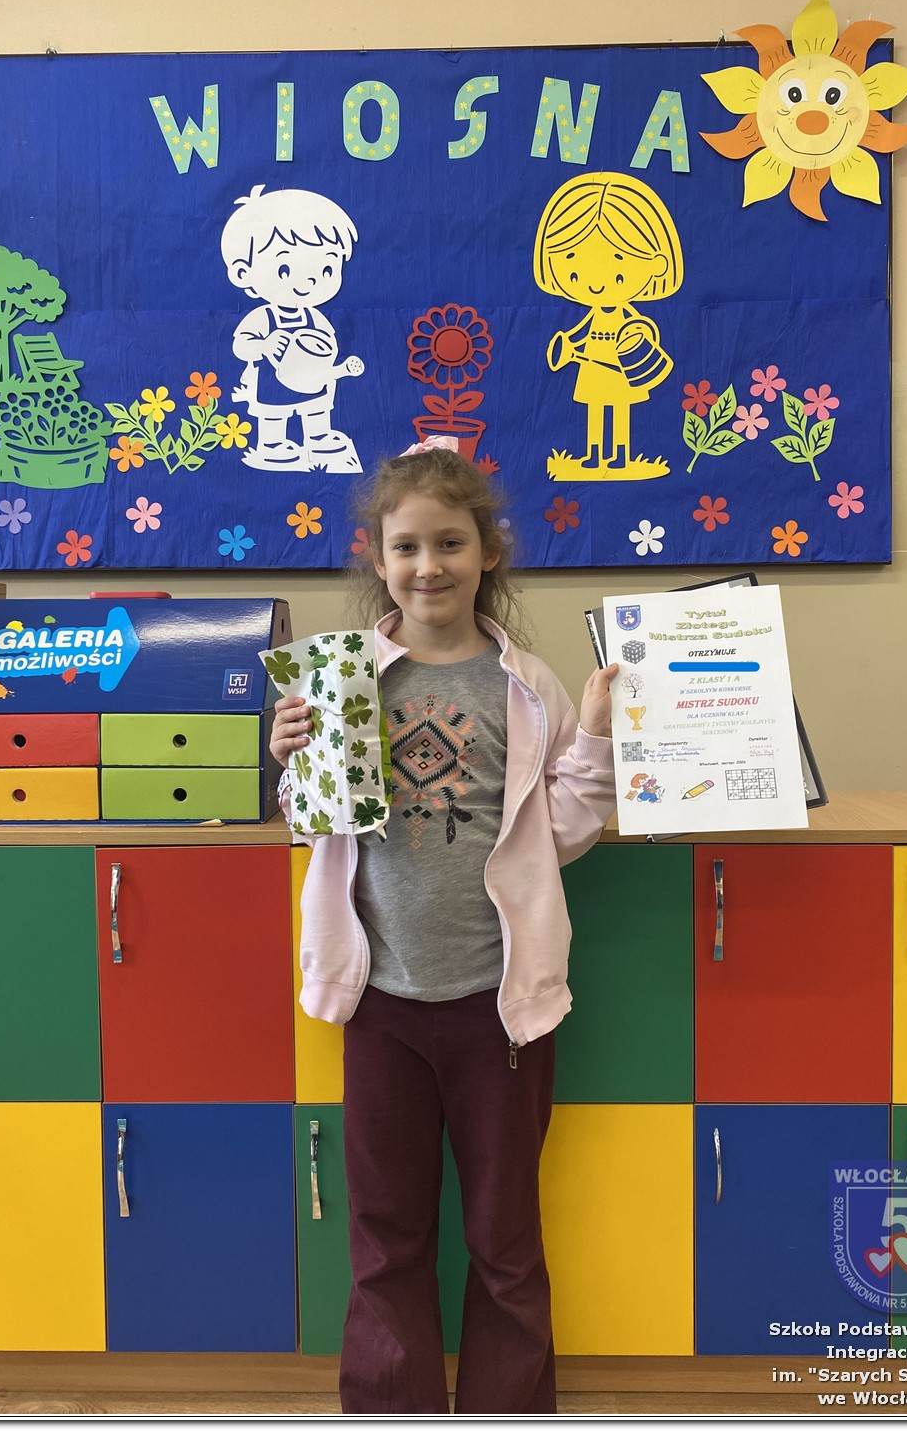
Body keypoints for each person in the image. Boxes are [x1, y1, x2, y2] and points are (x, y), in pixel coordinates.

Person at [269, 440, 618, 1414]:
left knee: (505, 1239)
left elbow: (564, 833)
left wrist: (595, 736)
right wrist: (291, 761)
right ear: (377, 557)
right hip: (382, 1002)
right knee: (387, 1236)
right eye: (408, 546)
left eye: (450, 543)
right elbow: (315, 825)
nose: (430, 565)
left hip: (498, 1008)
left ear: (488, 551)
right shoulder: (343, 678)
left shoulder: (527, 684)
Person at [533, 172, 684, 471]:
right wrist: (570, 346)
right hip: (592, 363)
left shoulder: (626, 315)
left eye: (617, 267)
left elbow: (643, 329)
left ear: (656, 264)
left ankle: (620, 456)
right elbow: (579, 332)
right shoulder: (593, 314)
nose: (596, 284)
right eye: (574, 268)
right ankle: (593, 454)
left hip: (621, 365)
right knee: (594, 409)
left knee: (620, 411)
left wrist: (637, 340)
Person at [220, 183, 365, 472]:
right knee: (274, 413)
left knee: (318, 407)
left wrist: (332, 360)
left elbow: (330, 341)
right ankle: (272, 444)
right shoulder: (263, 317)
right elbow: (241, 345)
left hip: (312, 378)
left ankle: (319, 437)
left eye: (326, 269)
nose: (309, 281)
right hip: (274, 381)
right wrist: (264, 345)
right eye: (285, 269)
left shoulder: (315, 317)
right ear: (243, 273)